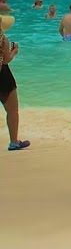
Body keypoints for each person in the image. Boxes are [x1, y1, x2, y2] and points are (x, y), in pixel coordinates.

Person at [1, 15, 29, 152]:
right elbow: (6, 60)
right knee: (12, 110)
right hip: (3, 76)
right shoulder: (3, 39)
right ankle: (14, 142)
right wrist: (14, 52)